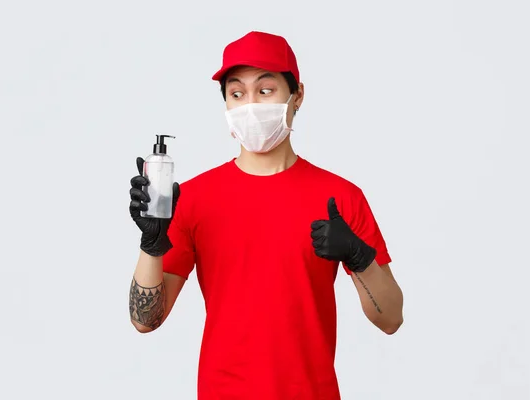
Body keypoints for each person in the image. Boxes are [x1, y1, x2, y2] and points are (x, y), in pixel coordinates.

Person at [128, 31, 404, 400]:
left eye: (266, 90)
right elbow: (145, 321)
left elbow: (391, 319)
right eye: (237, 93)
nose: (250, 104)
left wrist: (360, 256)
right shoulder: (192, 199)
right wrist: (151, 245)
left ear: (297, 95)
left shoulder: (340, 198)